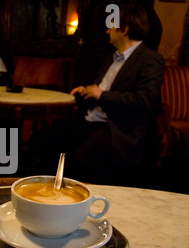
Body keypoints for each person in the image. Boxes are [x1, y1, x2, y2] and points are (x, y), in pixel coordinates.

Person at [68, 3, 165, 186]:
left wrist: (101, 95)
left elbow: (145, 101)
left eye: (111, 26)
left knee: (79, 162)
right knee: (52, 144)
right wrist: (87, 91)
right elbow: (101, 89)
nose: (107, 31)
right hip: (91, 120)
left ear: (124, 29)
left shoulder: (150, 59)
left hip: (118, 128)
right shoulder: (111, 57)